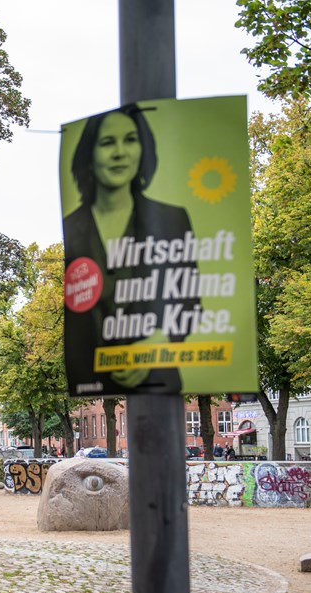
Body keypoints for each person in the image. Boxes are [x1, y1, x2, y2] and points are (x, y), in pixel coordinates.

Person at [63, 104, 199, 396]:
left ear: (143, 149)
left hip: (157, 373)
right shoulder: (72, 226)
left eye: (130, 140)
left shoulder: (172, 219)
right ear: (89, 154)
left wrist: (157, 343)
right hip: (92, 377)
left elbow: (189, 300)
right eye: (107, 142)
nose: (119, 152)